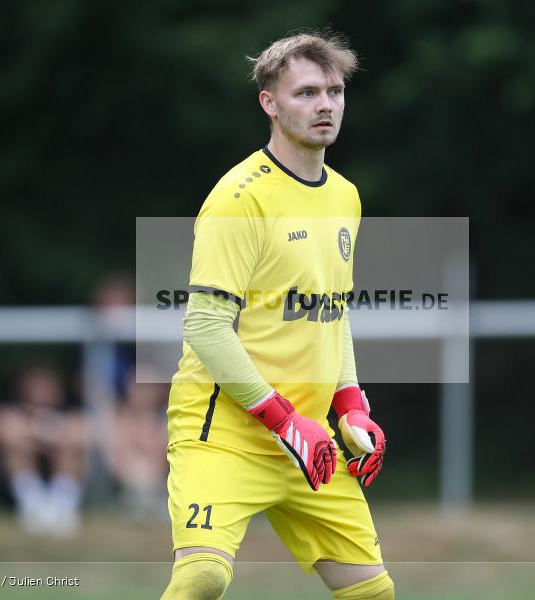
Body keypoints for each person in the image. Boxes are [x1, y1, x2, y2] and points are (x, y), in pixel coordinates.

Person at [160, 32, 393, 599]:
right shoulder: (239, 197)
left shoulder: (345, 196)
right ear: (269, 103)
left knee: (372, 594)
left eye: (335, 91)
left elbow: (332, 314)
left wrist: (351, 405)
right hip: (227, 435)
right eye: (307, 92)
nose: (325, 105)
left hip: (306, 440)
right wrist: (284, 419)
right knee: (202, 578)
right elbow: (205, 327)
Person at [0, 363, 85, 536]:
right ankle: (33, 507)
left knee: (70, 452)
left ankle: (62, 508)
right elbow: (3, 429)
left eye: (46, 389)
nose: (41, 395)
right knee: (17, 450)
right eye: (36, 388)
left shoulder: (68, 411)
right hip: (20, 476)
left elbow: (82, 433)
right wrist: (42, 432)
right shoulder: (11, 410)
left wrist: (47, 433)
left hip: (58, 476)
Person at [102, 367, 168, 519]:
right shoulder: (120, 418)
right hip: (126, 481)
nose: (141, 394)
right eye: (138, 388)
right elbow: (115, 462)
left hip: (157, 483)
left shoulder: (165, 420)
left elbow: (161, 459)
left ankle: (146, 503)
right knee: (138, 467)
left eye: (146, 388)